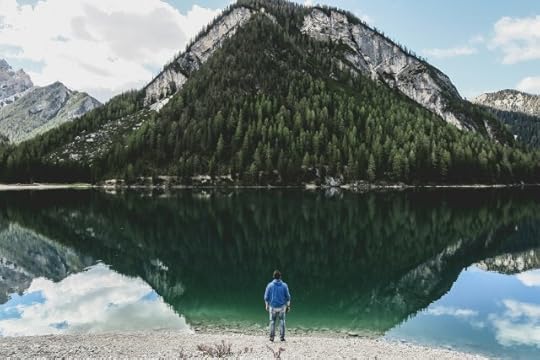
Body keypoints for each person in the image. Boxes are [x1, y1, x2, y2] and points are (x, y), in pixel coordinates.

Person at [264, 270, 291, 342]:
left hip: (272, 307)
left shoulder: (270, 285)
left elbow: (266, 297)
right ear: (280, 277)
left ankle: (271, 338)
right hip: (282, 307)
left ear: (273, 277)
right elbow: (288, 297)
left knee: (272, 321)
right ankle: (282, 337)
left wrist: (266, 305)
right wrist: (288, 306)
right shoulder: (284, 285)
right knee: (282, 321)